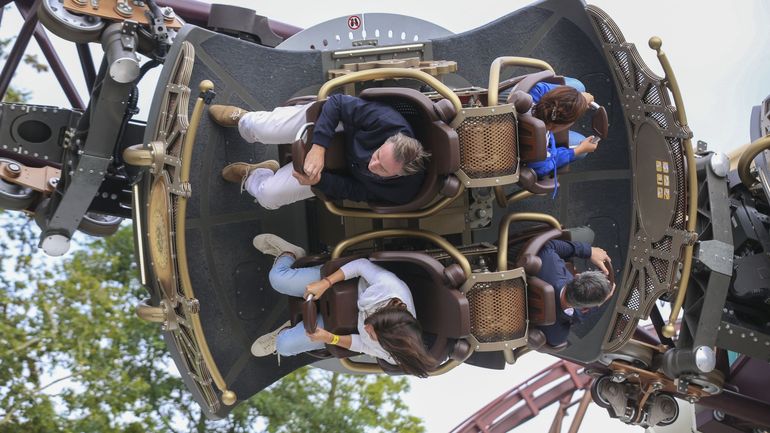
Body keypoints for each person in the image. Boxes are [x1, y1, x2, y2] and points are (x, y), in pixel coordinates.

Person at [249, 233, 436, 377]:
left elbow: (362, 345)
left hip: (341, 325)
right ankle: (291, 254)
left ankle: (286, 332)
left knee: (284, 346)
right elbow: (361, 266)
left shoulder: (393, 354)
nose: (366, 328)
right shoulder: (389, 286)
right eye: (372, 326)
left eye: (371, 333)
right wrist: (325, 283)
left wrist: (331, 338)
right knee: (277, 280)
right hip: (345, 286)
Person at [208, 94, 430, 210]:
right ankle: (244, 120)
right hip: (332, 127)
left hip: (339, 171)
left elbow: (356, 191)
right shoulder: (387, 121)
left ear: (398, 176)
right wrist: (319, 146)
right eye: (378, 155)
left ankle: (254, 174)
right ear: (388, 141)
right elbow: (337, 103)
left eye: (382, 170)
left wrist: (318, 180)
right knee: (261, 129)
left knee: (268, 196)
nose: (373, 165)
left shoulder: (402, 192)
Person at [533, 238, 615, 347]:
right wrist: (596, 306)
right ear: (586, 307)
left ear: (577, 276)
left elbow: (547, 245)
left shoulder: (550, 264)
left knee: (587, 234)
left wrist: (589, 251)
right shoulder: (557, 336)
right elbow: (578, 315)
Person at [525, 81, 599, 179]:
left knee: (578, 86)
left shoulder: (533, 94)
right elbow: (541, 168)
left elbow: (540, 88)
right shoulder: (540, 149)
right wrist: (578, 150)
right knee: (580, 144)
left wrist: (579, 99)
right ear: (556, 127)